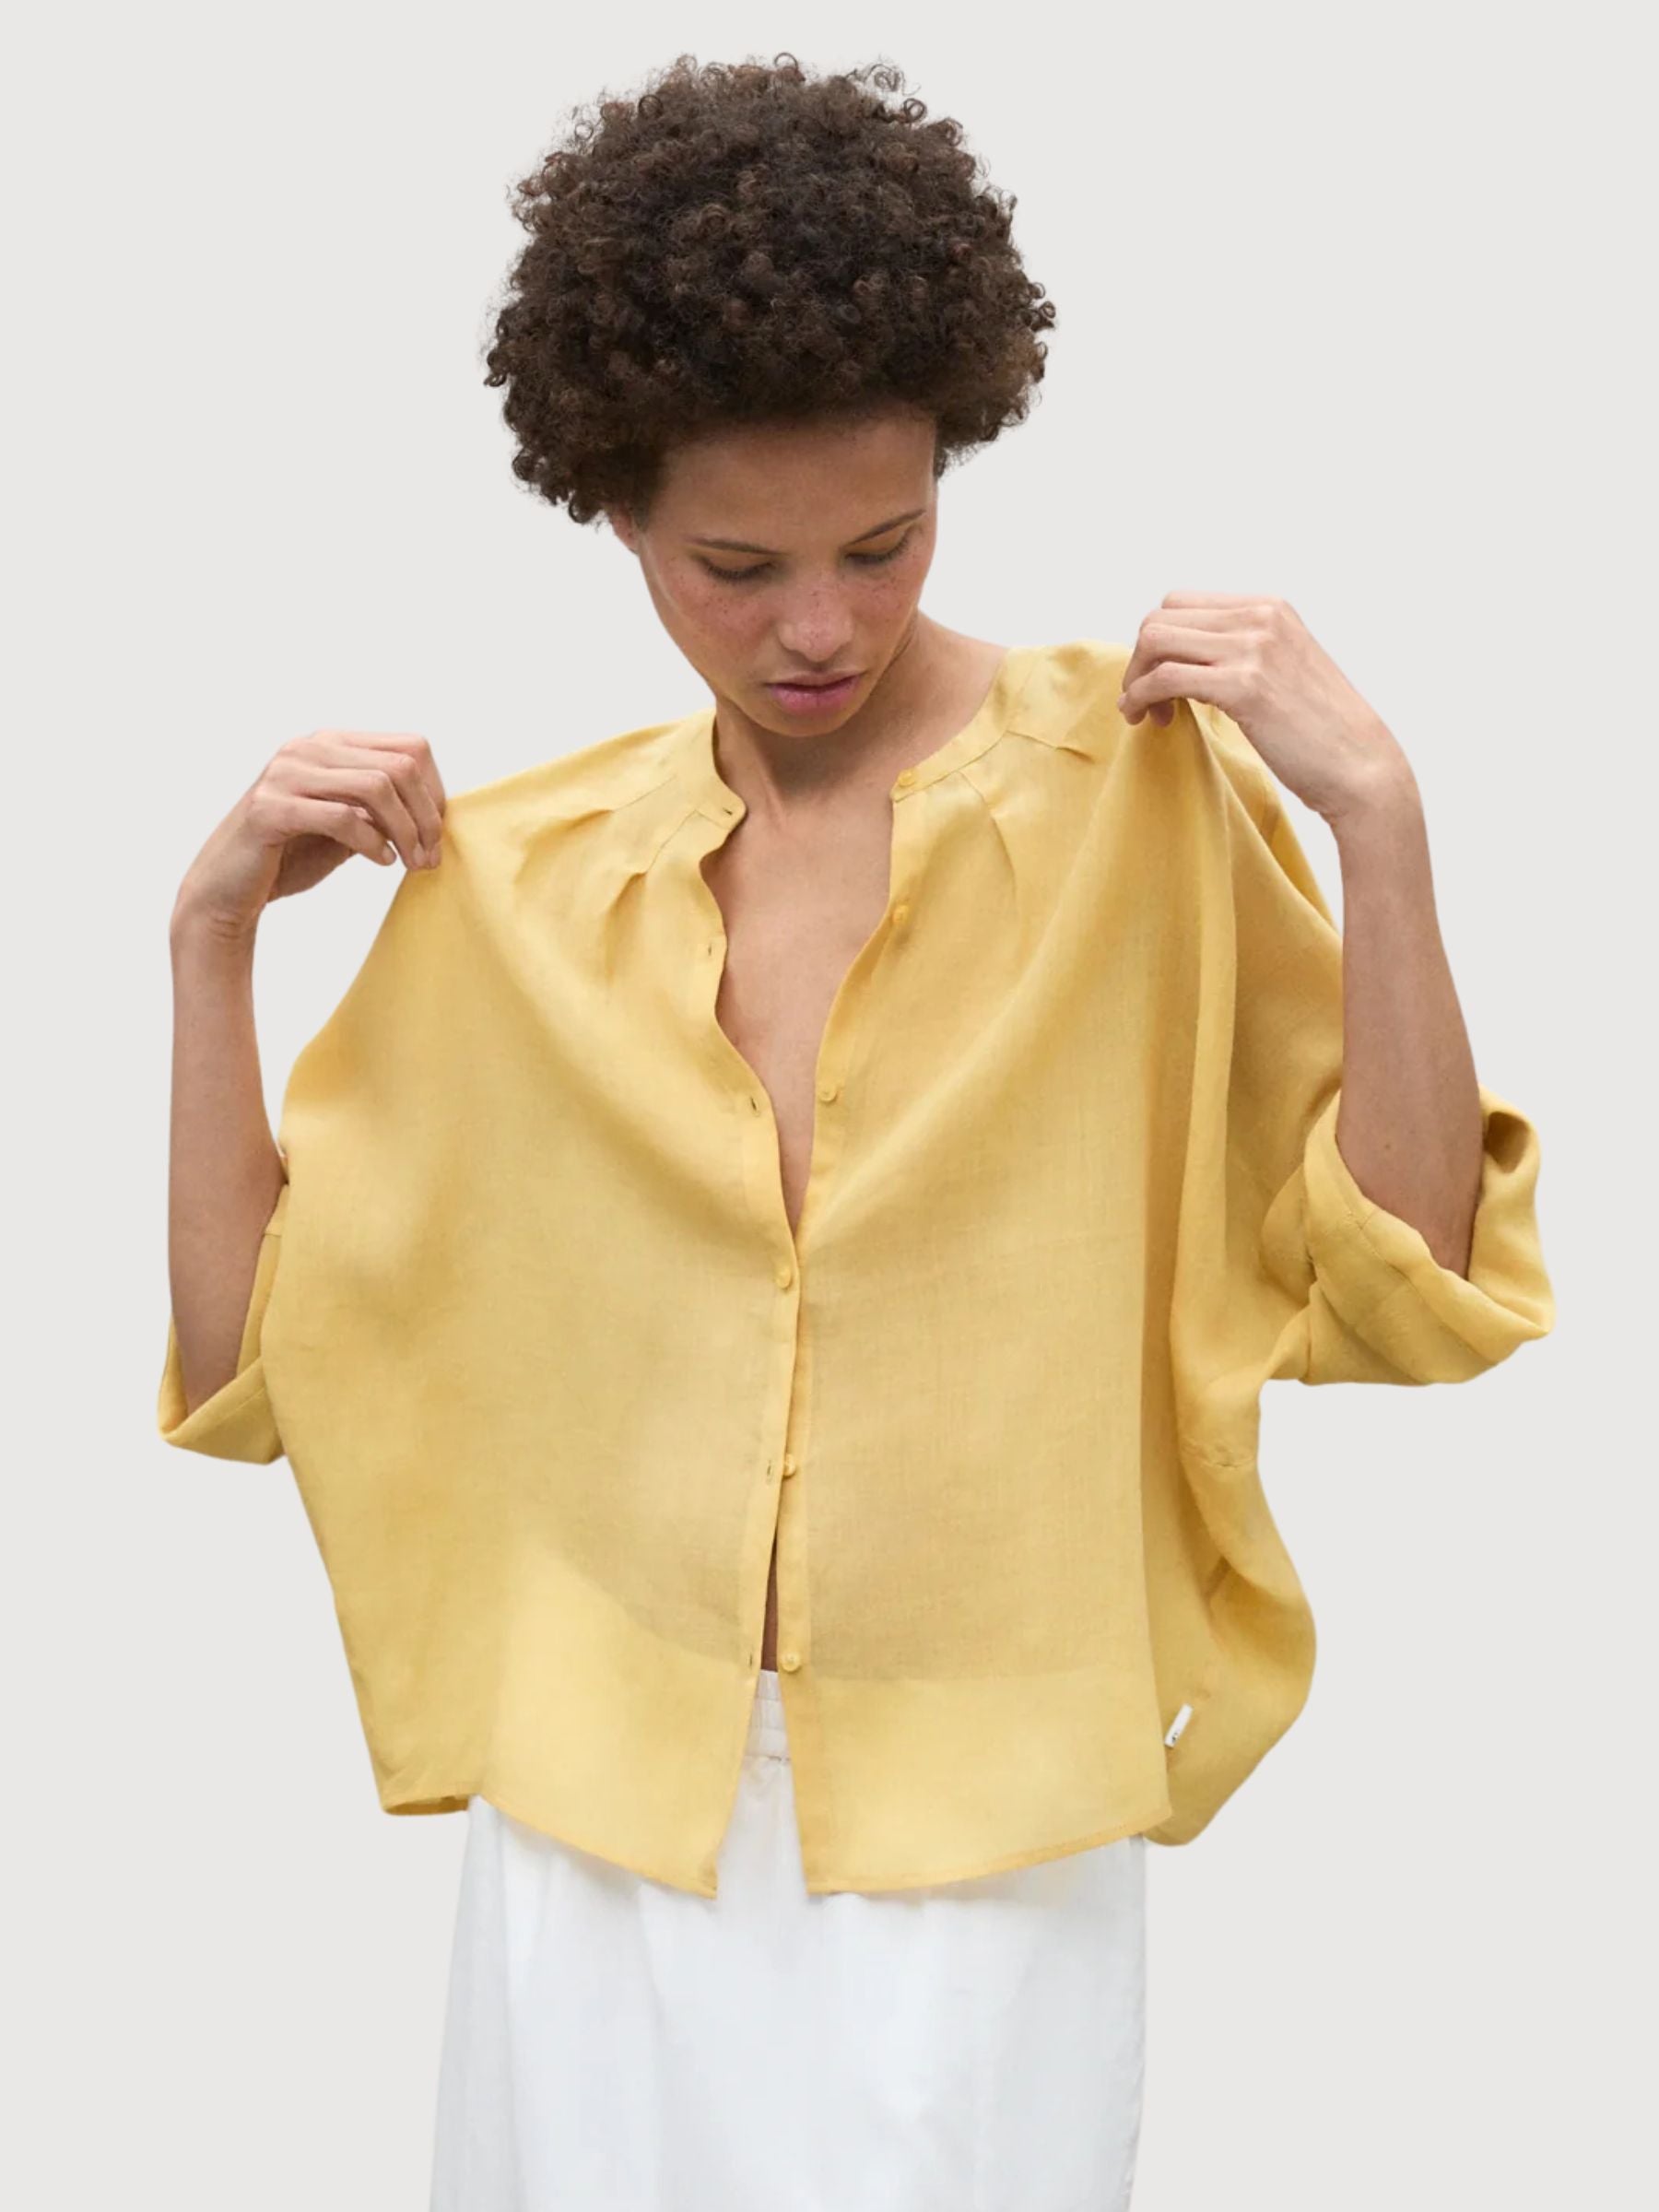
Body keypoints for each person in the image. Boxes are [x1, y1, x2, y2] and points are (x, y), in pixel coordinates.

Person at [157, 53, 1556, 2212]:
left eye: (884, 546)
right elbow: (251, 1364)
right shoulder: (524, 884)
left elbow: (1414, 1282)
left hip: (987, 1833)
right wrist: (209, 945)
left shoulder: (1136, 800)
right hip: (593, 1830)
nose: (819, 626)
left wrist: (1379, 817)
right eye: (736, 565)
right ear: (617, 519)